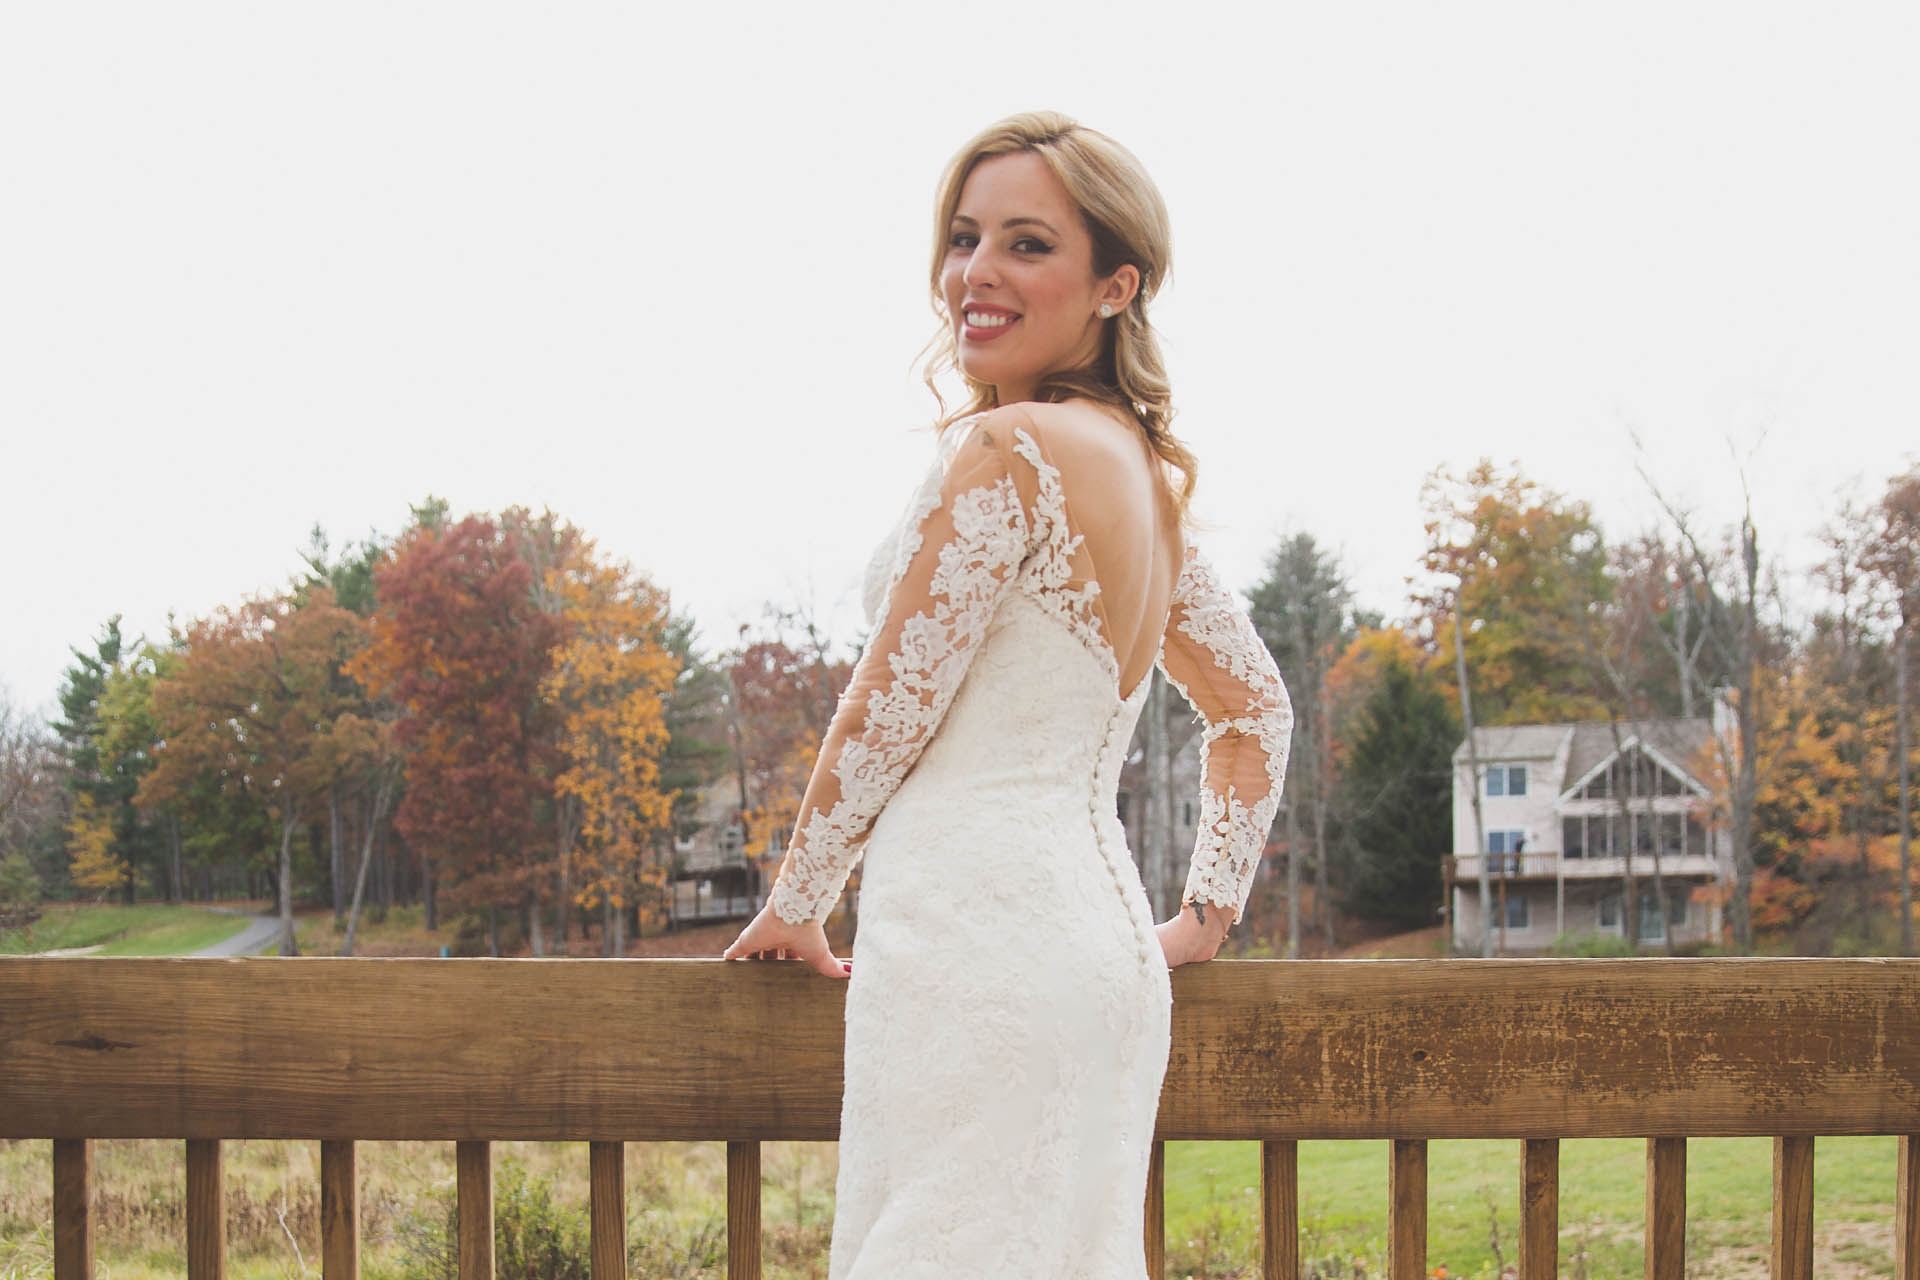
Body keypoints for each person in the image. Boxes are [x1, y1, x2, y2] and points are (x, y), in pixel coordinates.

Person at [722, 111, 1292, 1279]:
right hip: (1096, 958)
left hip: (973, 947)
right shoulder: (1142, 477)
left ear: (1115, 284)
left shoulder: (1015, 449)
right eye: (965, 236)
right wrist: (1200, 917)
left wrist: (801, 899)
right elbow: (1255, 710)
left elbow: (887, 708)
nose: (976, 272)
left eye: (1027, 244)